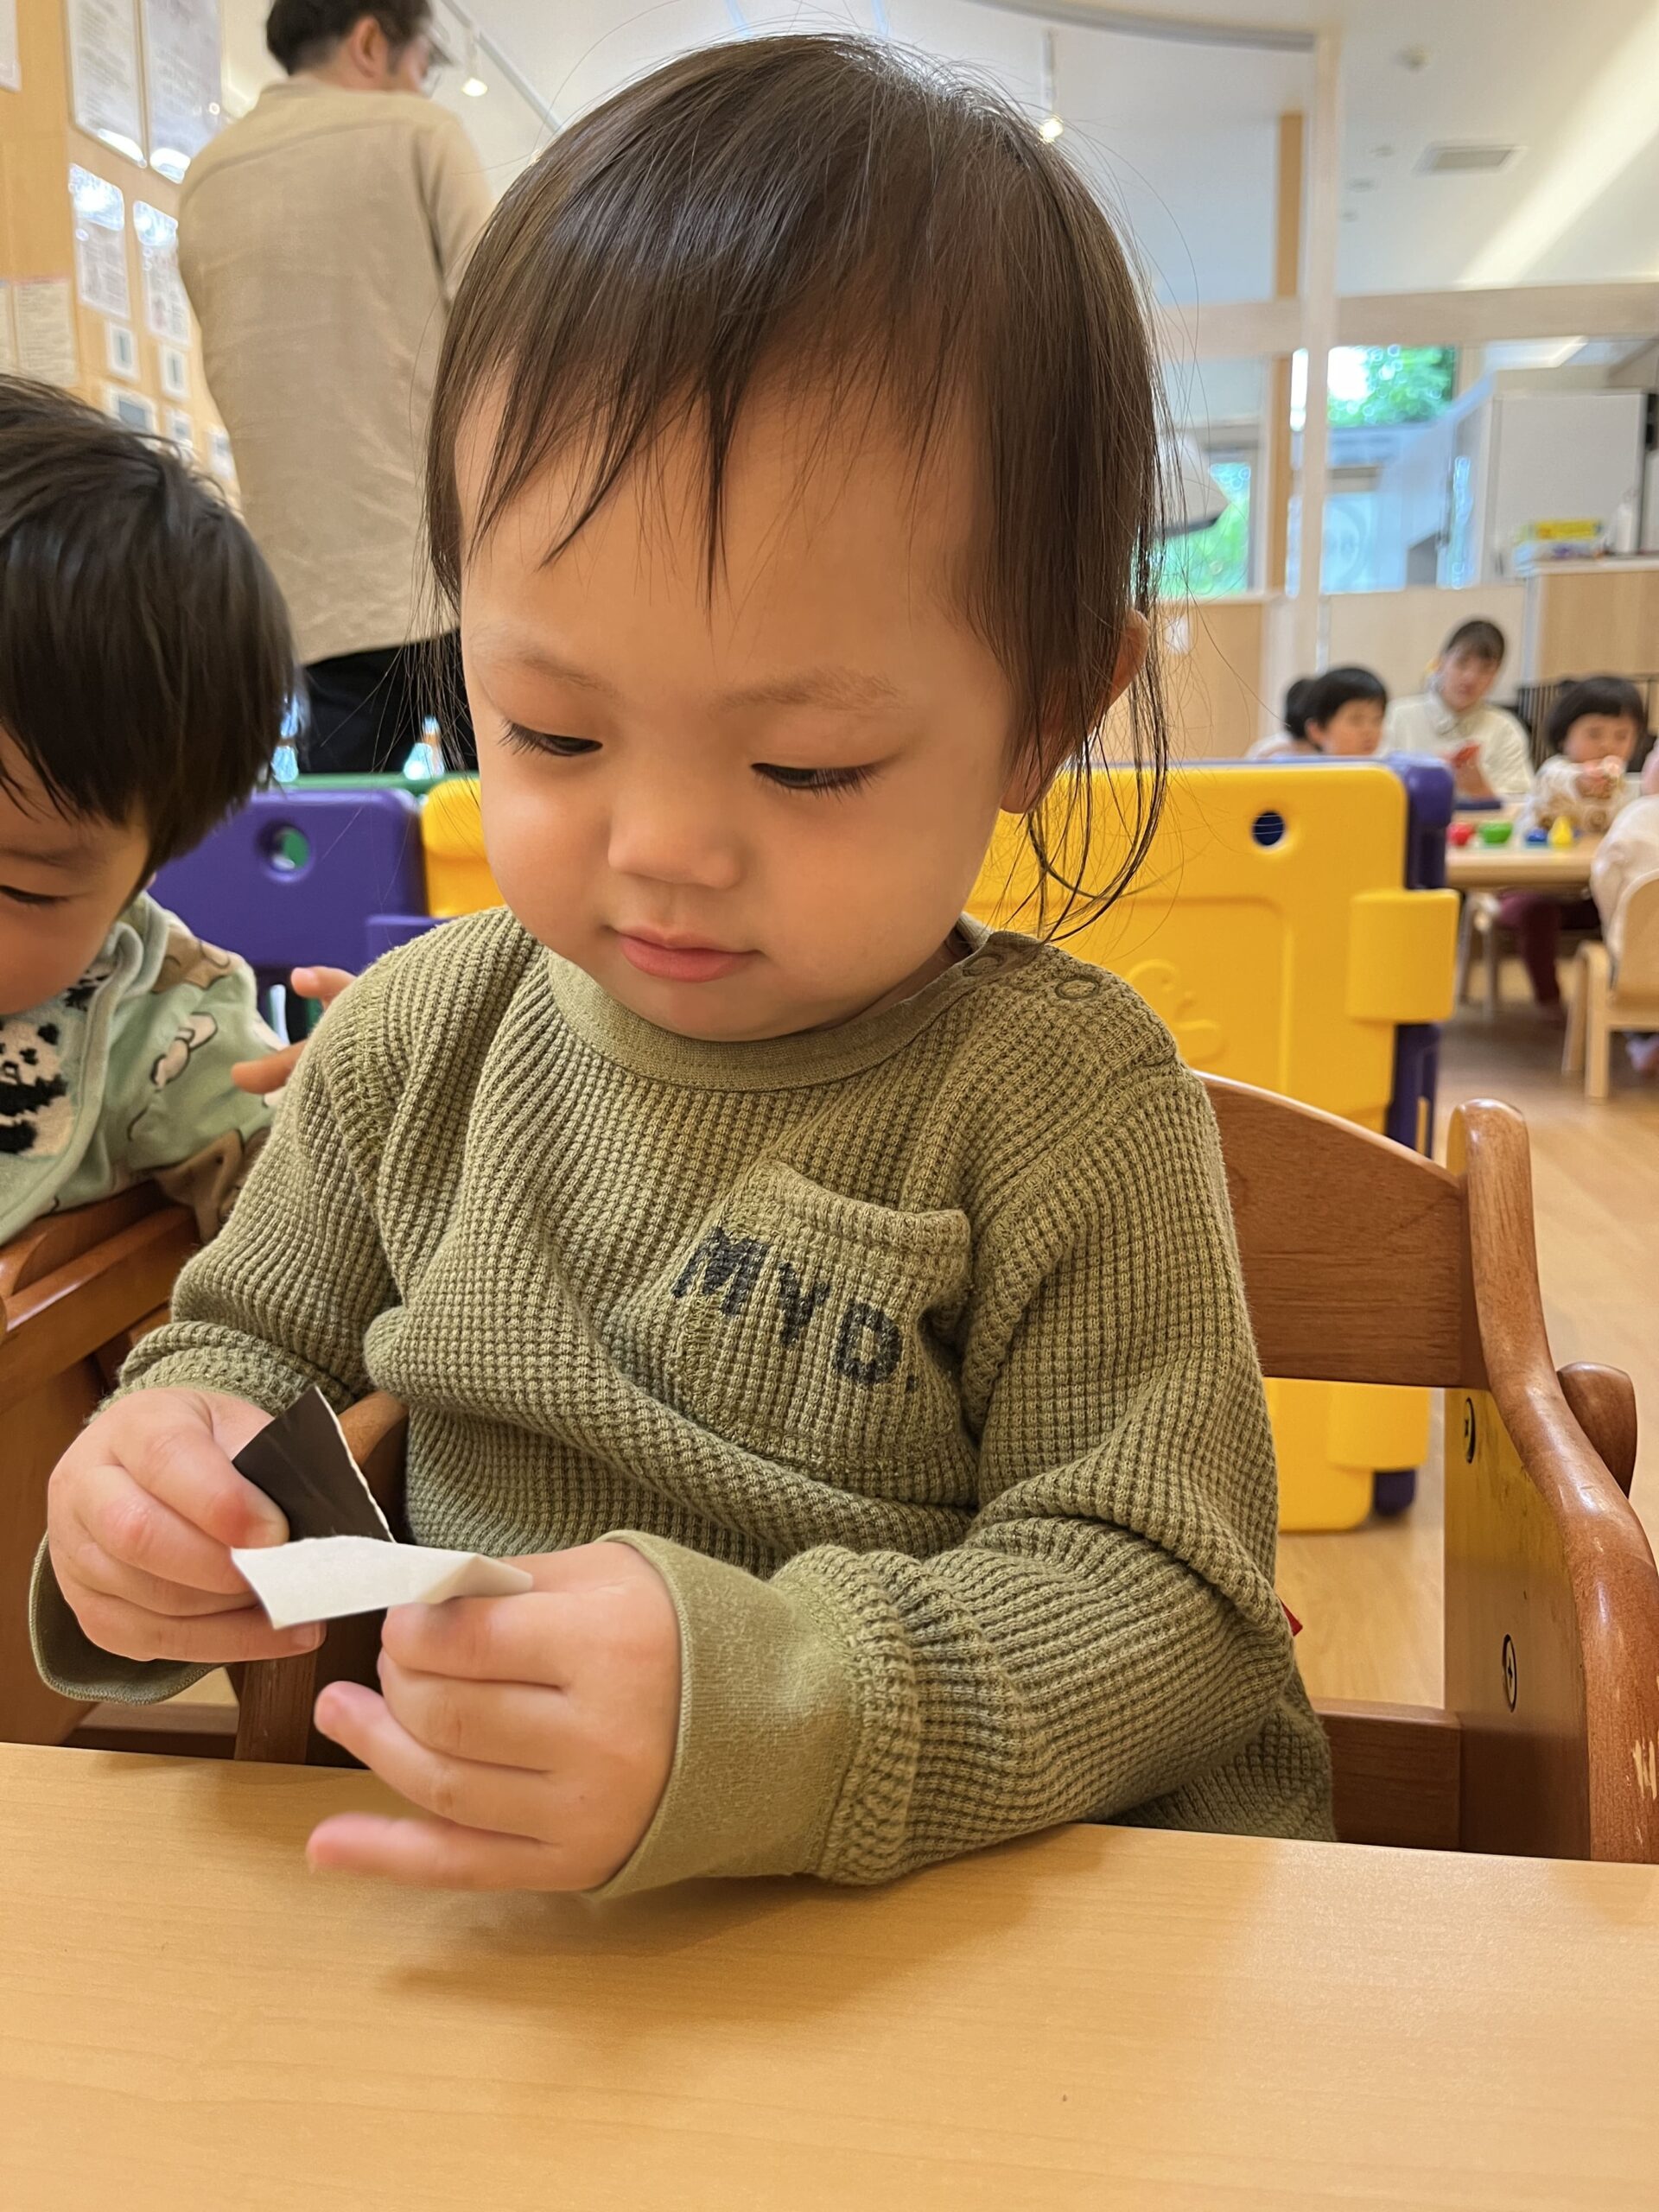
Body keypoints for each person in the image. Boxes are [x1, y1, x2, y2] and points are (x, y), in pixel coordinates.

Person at [36, 37, 1332, 1898]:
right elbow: (246, 1347)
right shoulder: (422, 1041)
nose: (660, 846)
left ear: (1047, 710)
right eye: (553, 730)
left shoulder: (1060, 1105)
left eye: (807, 764)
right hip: (520, 1933)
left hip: (990, 1940)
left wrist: (778, 1707)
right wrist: (158, 1483)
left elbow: (1167, 1599)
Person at [0, 379, 292, 1243]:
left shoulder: (162, 1028)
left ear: (144, 872)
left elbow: (319, 1242)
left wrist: (376, 1125)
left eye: (18, 887)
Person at [178, 2, 492, 774]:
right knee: (499, 823)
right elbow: (505, 336)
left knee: (349, 829)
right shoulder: (420, 134)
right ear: (370, 41)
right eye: (424, 65)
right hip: (451, 580)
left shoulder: (205, 180)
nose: (421, 86)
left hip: (308, 602)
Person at [1497, 677, 1646, 1014]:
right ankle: (1549, 999)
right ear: (1565, 736)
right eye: (1594, 734)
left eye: (1622, 736)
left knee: (1637, 905)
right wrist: (1582, 781)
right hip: (1528, 888)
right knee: (1538, 913)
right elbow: (1562, 782)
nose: (1607, 746)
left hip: (1589, 892)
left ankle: (1624, 997)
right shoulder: (1554, 772)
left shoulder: (1628, 788)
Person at [1383, 618, 1532, 798]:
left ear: (1496, 675)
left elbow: (1522, 802)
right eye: (1462, 663)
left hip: (1483, 818)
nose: (1471, 678)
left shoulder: (1506, 729)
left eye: (1485, 669)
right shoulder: (1397, 716)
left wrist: (1481, 791)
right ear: (1440, 663)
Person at [1590, 745, 1659, 1074]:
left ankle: (1641, 1040)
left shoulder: (1636, 817)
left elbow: (1605, 881)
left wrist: (1616, 919)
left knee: (1617, 953)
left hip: (1640, 965)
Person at [1247, 666, 1387, 761]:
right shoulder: (1292, 773)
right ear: (1317, 730)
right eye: (1356, 720)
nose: (1369, 730)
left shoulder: (1389, 774)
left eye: (1377, 720)